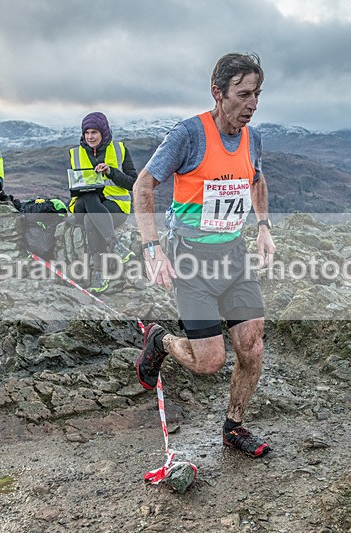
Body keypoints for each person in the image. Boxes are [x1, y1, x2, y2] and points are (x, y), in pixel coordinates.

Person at [132, 52, 276, 458]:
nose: (252, 104)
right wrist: (152, 247)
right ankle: (160, 341)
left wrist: (263, 227)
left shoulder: (252, 138)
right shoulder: (188, 135)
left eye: (257, 94)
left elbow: (257, 180)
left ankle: (234, 427)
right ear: (218, 92)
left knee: (252, 346)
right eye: (243, 94)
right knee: (209, 361)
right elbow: (143, 186)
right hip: (191, 260)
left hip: (234, 255)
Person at [68, 112, 137, 292]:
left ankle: (100, 274)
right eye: (87, 132)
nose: (90, 137)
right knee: (89, 196)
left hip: (114, 207)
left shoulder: (120, 149)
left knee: (91, 220)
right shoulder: (75, 153)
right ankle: (114, 244)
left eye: (94, 132)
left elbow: (133, 183)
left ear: (103, 132)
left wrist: (111, 172)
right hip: (82, 205)